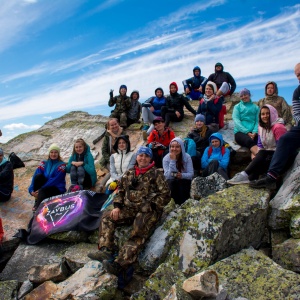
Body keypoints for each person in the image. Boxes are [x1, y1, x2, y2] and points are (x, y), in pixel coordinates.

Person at [88, 146, 171, 276]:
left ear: (150, 158)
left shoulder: (156, 174)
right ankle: (106, 249)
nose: (143, 158)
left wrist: (151, 205)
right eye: (141, 155)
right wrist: (117, 206)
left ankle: (120, 264)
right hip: (129, 209)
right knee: (107, 217)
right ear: (137, 157)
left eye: (146, 156)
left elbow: (165, 195)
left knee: (137, 232)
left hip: (147, 211)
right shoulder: (129, 173)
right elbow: (120, 191)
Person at [250, 63, 300, 189]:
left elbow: (288, 115)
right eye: (298, 75)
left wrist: (286, 126)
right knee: (284, 139)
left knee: (281, 133)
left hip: (279, 125)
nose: (299, 77)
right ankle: (271, 177)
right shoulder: (297, 92)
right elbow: (297, 113)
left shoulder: (281, 100)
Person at [228, 105, 287, 184]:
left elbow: (282, 150)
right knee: (261, 154)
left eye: (267, 113)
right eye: (263, 114)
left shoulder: (278, 127)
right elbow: (260, 146)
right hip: (269, 154)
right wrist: (256, 158)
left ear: (272, 114)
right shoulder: (261, 126)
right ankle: (248, 177)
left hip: (281, 157)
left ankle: (247, 176)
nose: (265, 116)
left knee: (264, 156)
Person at [28, 144, 66, 212]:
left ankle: (38, 208)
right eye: (51, 152)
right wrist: (31, 189)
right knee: (38, 177)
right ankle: (37, 199)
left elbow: (55, 180)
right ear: (49, 153)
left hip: (56, 188)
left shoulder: (62, 165)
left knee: (43, 191)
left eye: (55, 152)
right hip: (45, 187)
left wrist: (41, 189)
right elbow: (35, 175)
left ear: (58, 153)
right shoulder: (44, 163)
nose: (53, 154)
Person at [163, 137, 194, 205]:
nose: (174, 149)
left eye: (177, 147)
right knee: (171, 183)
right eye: (172, 147)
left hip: (184, 180)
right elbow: (167, 176)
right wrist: (173, 161)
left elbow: (191, 174)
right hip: (172, 180)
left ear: (181, 148)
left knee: (182, 183)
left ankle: (184, 204)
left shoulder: (187, 157)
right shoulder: (166, 158)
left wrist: (182, 175)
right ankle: (173, 204)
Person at [232, 88, 260, 158]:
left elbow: (258, 121)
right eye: (241, 96)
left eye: (245, 95)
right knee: (249, 141)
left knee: (258, 143)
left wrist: (254, 132)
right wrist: (247, 132)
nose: (243, 97)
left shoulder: (256, 107)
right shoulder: (237, 107)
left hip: (253, 132)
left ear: (249, 95)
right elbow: (236, 120)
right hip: (240, 132)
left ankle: (256, 165)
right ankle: (261, 159)